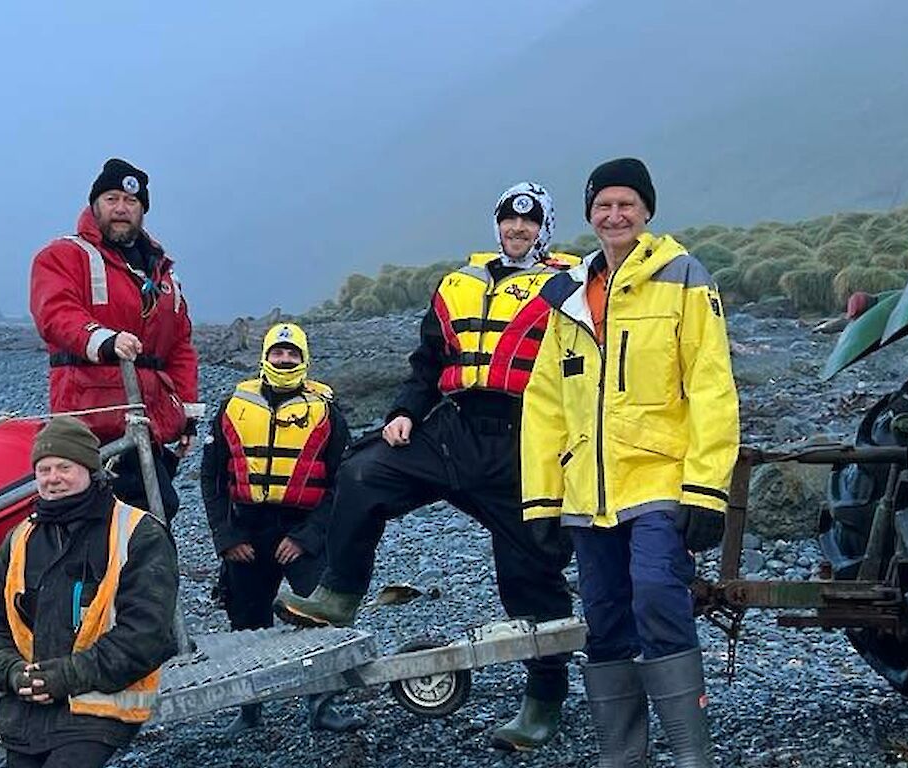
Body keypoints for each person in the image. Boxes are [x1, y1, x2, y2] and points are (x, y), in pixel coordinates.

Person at [276, 182, 579, 750]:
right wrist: (402, 412)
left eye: (531, 222)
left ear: (546, 227)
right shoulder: (458, 284)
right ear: (497, 226)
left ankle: (543, 704)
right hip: (456, 426)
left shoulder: (572, 284)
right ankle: (339, 593)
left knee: (532, 573)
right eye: (510, 222)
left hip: (527, 438)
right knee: (365, 472)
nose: (519, 230)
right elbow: (426, 365)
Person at [520, 158, 736, 767]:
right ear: (589, 214)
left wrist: (706, 489)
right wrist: (541, 499)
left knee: (658, 597)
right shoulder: (564, 297)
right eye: (603, 205)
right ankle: (624, 757)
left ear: (647, 212)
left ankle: (691, 755)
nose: (615, 215)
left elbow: (712, 386)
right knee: (607, 618)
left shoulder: (683, 276)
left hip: (660, 478)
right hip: (587, 493)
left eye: (627, 205)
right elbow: (545, 403)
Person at [0, 417, 180, 767]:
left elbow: (146, 637)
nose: (53, 478)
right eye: (44, 469)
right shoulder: (19, 541)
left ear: (90, 469)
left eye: (64, 467)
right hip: (28, 711)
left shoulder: (138, 533)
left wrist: (63, 677)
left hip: (102, 703)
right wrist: (12, 673)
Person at [29, 158, 201, 518]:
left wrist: (186, 416)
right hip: (90, 421)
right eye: (111, 198)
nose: (121, 208)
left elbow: (180, 348)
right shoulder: (63, 256)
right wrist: (104, 340)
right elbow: (55, 313)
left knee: (158, 510)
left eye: (131, 202)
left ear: (142, 210)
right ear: (95, 205)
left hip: (145, 423)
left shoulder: (164, 277)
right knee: (106, 516)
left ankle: (140, 573)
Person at [198, 322, 346, 733]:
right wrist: (226, 540)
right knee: (246, 622)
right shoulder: (233, 405)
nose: (284, 361)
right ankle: (250, 709)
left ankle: (323, 705)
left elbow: (342, 483)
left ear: (304, 359)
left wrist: (307, 537)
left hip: (303, 531)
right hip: (246, 531)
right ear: (265, 356)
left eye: (292, 354)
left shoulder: (326, 411)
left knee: (320, 620)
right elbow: (211, 478)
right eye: (278, 353)